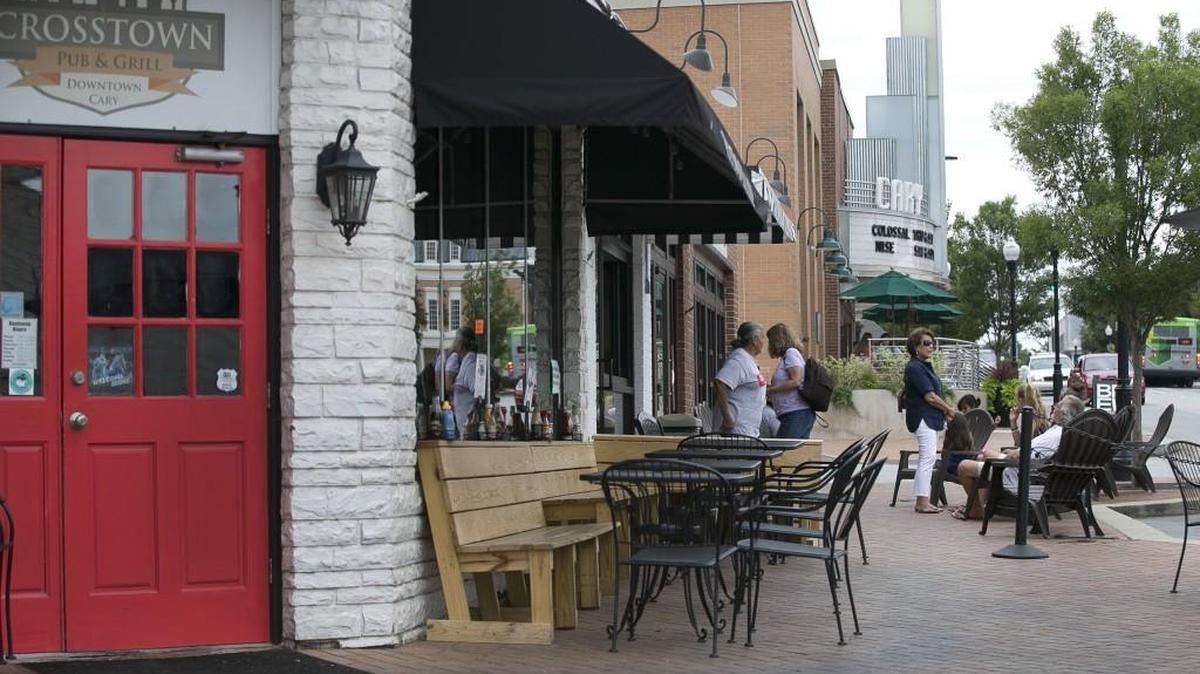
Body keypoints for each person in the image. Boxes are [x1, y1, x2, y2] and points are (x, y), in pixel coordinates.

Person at [950, 394, 1085, 520]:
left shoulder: (1055, 434)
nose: (1054, 407)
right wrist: (1016, 449)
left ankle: (976, 510)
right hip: (1029, 467)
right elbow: (1035, 451)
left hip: (1022, 471)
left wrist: (1014, 453)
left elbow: (1026, 455)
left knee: (964, 466)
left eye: (1057, 406)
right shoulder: (1064, 433)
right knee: (984, 456)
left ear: (1063, 414)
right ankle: (980, 506)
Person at [902, 327, 956, 514]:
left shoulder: (922, 366)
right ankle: (922, 502)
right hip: (923, 418)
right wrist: (949, 409)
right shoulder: (915, 367)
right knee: (927, 458)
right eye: (926, 343)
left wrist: (945, 411)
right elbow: (930, 396)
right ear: (916, 347)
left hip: (929, 418)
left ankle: (922, 500)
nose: (931, 347)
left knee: (928, 458)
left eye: (932, 343)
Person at [714, 321, 768, 436]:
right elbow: (720, 383)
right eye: (762, 338)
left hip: (748, 429)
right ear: (754, 339)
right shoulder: (739, 360)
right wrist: (728, 418)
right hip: (737, 430)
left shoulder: (748, 360)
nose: (764, 342)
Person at [765, 323, 814, 439]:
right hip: (791, 413)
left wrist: (770, 390)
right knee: (791, 453)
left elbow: (796, 381)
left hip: (796, 412)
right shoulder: (787, 356)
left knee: (783, 452)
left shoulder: (791, 353)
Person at [444, 327, 479, 438]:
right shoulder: (465, 362)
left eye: (456, 339)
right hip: (464, 426)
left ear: (461, 342)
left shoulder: (470, 365)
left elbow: (478, 393)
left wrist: (472, 416)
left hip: (469, 427)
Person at [1008, 383, 1049, 448]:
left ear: (1020, 400)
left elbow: (1022, 446)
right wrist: (1013, 422)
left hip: (1033, 456)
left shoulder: (1031, 418)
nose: (1015, 403)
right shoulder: (1038, 415)